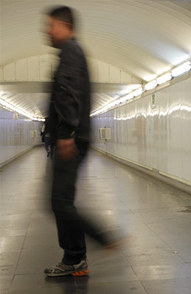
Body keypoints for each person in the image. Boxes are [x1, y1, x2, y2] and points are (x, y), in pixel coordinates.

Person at [43, 6, 118, 277]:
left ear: (64, 26)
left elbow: (67, 91)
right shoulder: (71, 52)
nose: (47, 31)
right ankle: (75, 258)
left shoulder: (71, 52)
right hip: (71, 137)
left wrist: (65, 134)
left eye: (50, 26)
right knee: (60, 201)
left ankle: (102, 237)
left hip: (71, 138)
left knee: (59, 202)